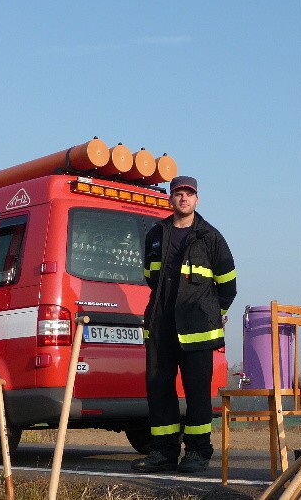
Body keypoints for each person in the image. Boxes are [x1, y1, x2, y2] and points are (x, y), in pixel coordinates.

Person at [131, 175, 237, 474]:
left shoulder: (210, 237)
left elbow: (228, 284)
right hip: (162, 325)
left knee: (197, 392)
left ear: (197, 199)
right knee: (159, 388)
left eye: (189, 194)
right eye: (179, 193)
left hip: (198, 328)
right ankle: (163, 452)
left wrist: (211, 314)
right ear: (171, 198)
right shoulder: (156, 233)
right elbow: (151, 276)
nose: (184, 198)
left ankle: (198, 453)